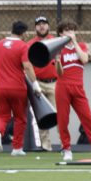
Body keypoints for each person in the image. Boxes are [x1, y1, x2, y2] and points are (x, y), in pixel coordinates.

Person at [53, 21, 91, 162]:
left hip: (78, 87)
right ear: (61, 33)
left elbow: (84, 59)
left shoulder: (81, 45)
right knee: (63, 120)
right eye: (66, 30)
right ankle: (66, 149)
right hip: (63, 87)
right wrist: (58, 61)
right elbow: (59, 73)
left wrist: (74, 42)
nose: (70, 32)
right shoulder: (58, 49)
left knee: (87, 118)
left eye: (72, 30)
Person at [0, 20, 43, 155]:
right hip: (17, 87)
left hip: (0, 87)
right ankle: (17, 148)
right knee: (20, 117)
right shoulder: (23, 46)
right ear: (23, 33)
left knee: (2, 116)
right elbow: (27, 66)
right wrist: (35, 84)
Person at [30, 16, 59, 151]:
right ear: (35, 27)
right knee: (42, 115)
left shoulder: (56, 41)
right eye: (39, 24)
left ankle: (65, 144)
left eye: (44, 24)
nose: (41, 26)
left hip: (54, 82)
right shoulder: (30, 44)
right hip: (38, 83)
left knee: (60, 114)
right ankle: (46, 145)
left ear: (48, 26)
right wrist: (33, 83)